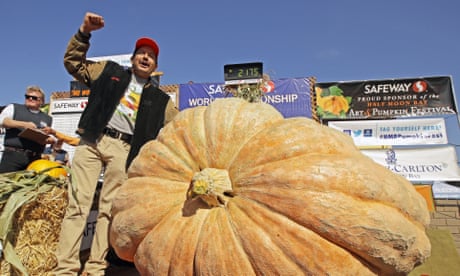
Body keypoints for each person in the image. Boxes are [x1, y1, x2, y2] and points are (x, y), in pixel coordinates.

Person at [53, 12, 179, 275]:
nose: (146, 57)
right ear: (133, 58)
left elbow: (182, 128)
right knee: (78, 205)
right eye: (141, 53)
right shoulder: (107, 71)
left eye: (151, 55)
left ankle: (96, 267)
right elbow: (73, 63)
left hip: (124, 151)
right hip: (92, 141)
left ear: (155, 65)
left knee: (108, 212)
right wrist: (84, 32)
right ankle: (65, 268)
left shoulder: (161, 100)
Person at [0, 85, 55, 173]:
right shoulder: (14, 107)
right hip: (13, 156)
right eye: (27, 96)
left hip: (35, 159)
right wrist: (24, 124)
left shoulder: (47, 118)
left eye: (34, 97)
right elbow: (2, 121)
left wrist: (48, 140)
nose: (30, 99)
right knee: (6, 184)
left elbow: (49, 136)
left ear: (41, 101)